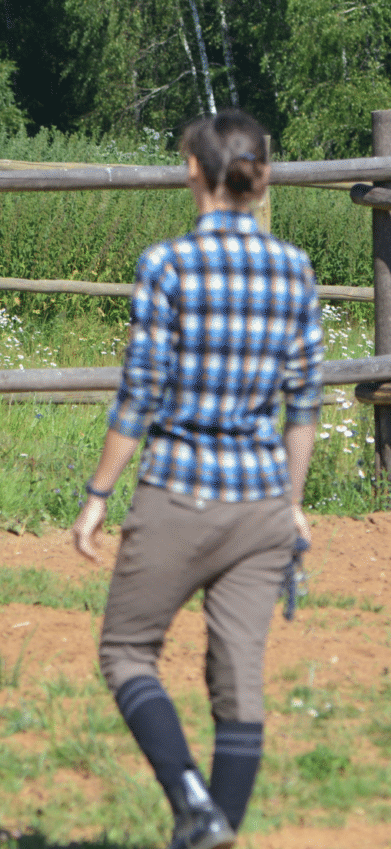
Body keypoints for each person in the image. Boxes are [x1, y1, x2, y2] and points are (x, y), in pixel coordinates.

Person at [72, 110, 322, 849]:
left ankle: (192, 803)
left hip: (180, 489)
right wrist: (293, 504)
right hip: (263, 503)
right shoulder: (297, 267)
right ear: (263, 175)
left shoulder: (168, 264)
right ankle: (218, 829)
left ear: (192, 170)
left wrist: (97, 495)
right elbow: (302, 406)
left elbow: (140, 393)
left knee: (125, 650)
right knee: (239, 682)